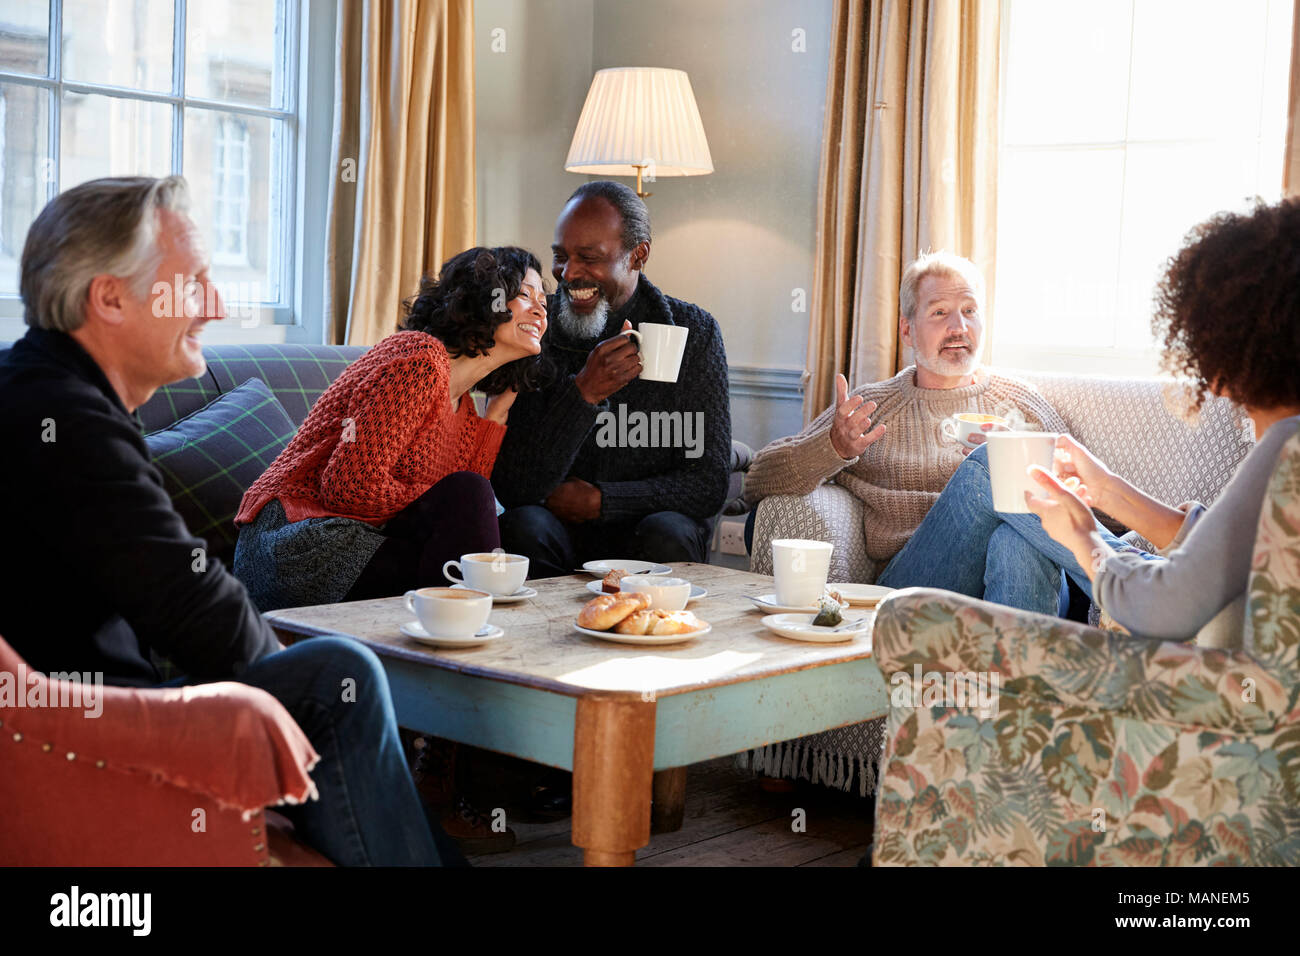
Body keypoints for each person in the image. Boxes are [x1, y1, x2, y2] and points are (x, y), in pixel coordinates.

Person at [0, 175, 453, 865]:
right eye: (193, 283)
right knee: (335, 676)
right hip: (78, 730)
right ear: (110, 297)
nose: (214, 304)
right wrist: (278, 695)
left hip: (83, 711)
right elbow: (192, 608)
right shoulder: (63, 418)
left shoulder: (40, 389)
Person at [1018, 196, 1300, 645]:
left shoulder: (1289, 449)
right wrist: (1108, 490)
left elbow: (1164, 610)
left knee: (982, 473)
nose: (1215, 389)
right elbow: (1226, 552)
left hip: (1234, 707)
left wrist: (1085, 536)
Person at [745, 251, 1076, 612]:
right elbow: (757, 480)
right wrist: (833, 446)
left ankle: (1009, 667)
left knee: (1016, 539)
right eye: (939, 312)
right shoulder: (873, 407)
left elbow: (1098, 504)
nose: (959, 328)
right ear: (907, 329)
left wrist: (1043, 480)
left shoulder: (1022, 402)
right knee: (991, 463)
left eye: (969, 311)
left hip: (1017, 583)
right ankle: (1119, 575)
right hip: (918, 582)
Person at [233, 246, 547, 611]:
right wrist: (434, 503)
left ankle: (452, 644)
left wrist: (497, 414)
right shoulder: (418, 357)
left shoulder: (465, 410)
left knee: (468, 536)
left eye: (543, 299)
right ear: (484, 297)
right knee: (468, 511)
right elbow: (348, 488)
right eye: (525, 294)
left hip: (363, 539)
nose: (540, 309)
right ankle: (461, 645)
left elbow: (462, 521)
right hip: (295, 542)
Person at [492, 181, 732, 578]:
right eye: (560, 256)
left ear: (638, 255)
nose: (568, 273)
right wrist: (583, 393)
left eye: (589, 257)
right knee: (522, 526)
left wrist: (605, 501)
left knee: (669, 533)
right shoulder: (539, 328)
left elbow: (707, 483)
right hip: (557, 530)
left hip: (648, 528)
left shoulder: (695, 332)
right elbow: (514, 486)